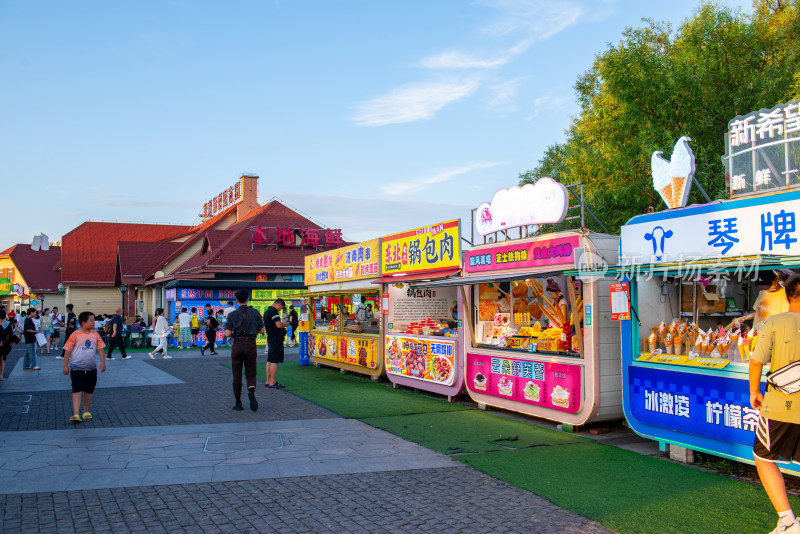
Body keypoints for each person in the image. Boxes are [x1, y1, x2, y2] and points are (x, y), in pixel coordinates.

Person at [750, 274, 800, 534]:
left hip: (780, 406)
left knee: (763, 456)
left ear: (788, 295)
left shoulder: (774, 322)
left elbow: (757, 361)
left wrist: (753, 392)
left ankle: (788, 521)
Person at [62, 311, 107, 423]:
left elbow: (100, 349)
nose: (93, 323)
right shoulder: (75, 334)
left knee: (89, 390)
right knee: (77, 389)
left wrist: (103, 362)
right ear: (83, 322)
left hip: (91, 367)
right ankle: (76, 413)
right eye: (91, 321)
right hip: (76, 367)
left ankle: (86, 411)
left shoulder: (95, 334)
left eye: (94, 320)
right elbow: (67, 350)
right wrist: (65, 365)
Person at [224, 289, 264, 411]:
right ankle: (251, 391)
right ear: (248, 299)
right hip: (250, 344)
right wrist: (253, 331)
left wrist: (235, 333)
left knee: (237, 374)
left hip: (237, 345)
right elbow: (262, 330)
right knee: (251, 372)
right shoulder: (255, 312)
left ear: (236, 300)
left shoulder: (232, 315)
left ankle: (238, 402)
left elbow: (227, 333)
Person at [263, 298, 289, 389]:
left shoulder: (267, 311)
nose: (280, 309)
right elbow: (278, 325)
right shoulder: (274, 312)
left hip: (270, 338)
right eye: (281, 308)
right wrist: (284, 325)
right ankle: (273, 381)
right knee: (274, 360)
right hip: (276, 338)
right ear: (279, 305)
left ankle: (268, 380)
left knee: (269, 359)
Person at [0, 310, 20, 381]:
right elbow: (10, 334)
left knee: (2, 359)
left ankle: (1, 375)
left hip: (3, 343)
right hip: (4, 343)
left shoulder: (7, 324)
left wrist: (11, 341)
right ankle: (1, 376)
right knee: (2, 359)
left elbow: (10, 334)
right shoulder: (7, 324)